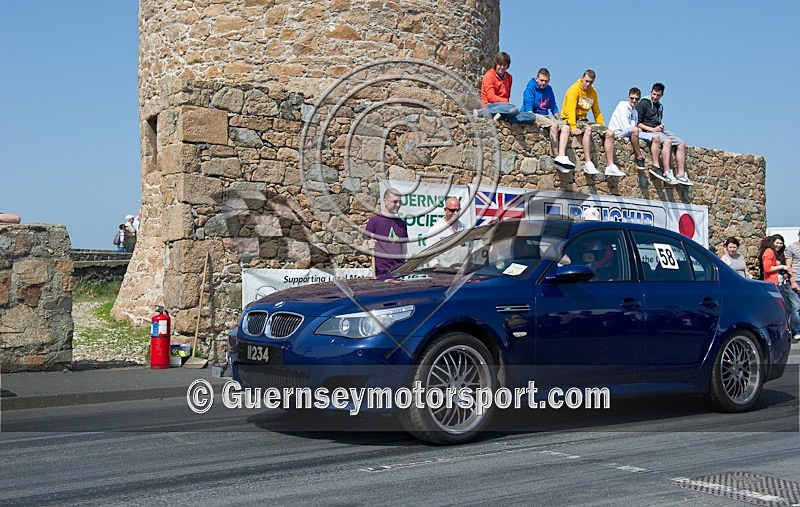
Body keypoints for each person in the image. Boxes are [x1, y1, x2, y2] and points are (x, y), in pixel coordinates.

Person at [636, 82, 692, 186]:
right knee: (667, 141)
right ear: (650, 92)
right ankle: (667, 172)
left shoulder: (660, 106)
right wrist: (652, 129)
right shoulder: (643, 103)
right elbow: (637, 123)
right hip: (649, 130)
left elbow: (658, 120)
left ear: (662, 95)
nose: (655, 97)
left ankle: (681, 174)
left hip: (659, 129)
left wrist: (660, 126)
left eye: (658, 95)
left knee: (681, 143)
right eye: (653, 94)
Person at [555, 69, 604, 175]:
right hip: (570, 119)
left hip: (583, 119)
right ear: (582, 78)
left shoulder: (593, 92)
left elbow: (597, 111)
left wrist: (601, 126)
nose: (588, 84)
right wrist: (573, 127)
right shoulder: (574, 89)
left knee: (607, 132)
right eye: (586, 81)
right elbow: (570, 110)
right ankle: (588, 163)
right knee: (588, 129)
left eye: (591, 82)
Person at [759, 234, 800, 340]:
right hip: (774, 285)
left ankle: (783, 332)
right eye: (777, 243)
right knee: (783, 309)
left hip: (780, 284)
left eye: (781, 243)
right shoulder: (769, 251)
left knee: (786, 309)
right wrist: (782, 266)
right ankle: (778, 333)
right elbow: (767, 268)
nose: (779, 245)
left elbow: (776, 268)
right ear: (772, 242)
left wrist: (783, 272)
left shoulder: (776, 253)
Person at [521, 68, 569, 155]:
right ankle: (556, 155)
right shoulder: (531, 87)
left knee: (565, 127)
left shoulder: (549, 89)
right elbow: (528, 102)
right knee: (553, 126)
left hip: (545, 116)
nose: (543, 83)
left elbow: (553, 106)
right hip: (533, 114)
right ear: (537, 79)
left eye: (546, 81)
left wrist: (560, 121)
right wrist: (532, 120)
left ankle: (562, 155)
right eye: (541, 80)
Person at [364, 188, 408, 279]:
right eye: (395, 202)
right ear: (385, 201)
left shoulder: (402, 223)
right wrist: (368, 245)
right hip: (380, 273)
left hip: (399, 273)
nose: (398, 205)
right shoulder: (374, 221)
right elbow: (363, 247)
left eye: (400, 202)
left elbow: (404, 251)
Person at [602, 88, 647, 177]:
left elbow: (633, 126)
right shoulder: (622, 105)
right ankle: (639, 157)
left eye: (636, 99)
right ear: (628, 97)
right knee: (636, 130)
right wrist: (636, 129)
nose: (634, 101)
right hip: (617, 133)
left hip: (628, 132)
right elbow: (625, 127)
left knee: (653, 136)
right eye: (632, 98)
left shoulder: (635, 112)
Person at [479, 52, 534, 123]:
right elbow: (491, 97)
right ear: (496, 64)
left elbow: (507, 95)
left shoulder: (509, 77)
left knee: (532, 117)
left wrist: (506, 104)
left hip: (504, 107)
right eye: (500, 64)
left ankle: (504, 117)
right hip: (490, 105)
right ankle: (485, 113)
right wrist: (506, 102)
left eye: (504, 65)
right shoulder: (489, 76)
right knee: (514, 110)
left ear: (507, 66)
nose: (502, 67)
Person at [426, 197, 469, 268]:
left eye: (457, 210)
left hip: (462, 274)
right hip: (445, 275)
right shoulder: (436, 230)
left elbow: (470, 251)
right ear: (445, 210)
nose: (455, 213)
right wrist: (438, 270)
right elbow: (430, 257)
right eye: (452, 210)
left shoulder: (464, 228)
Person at [783, 231, 800, 342]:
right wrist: (793, 282)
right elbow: (788, 266)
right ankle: (797, 331)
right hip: (796, 279)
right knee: (796, 308)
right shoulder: (791, 248)